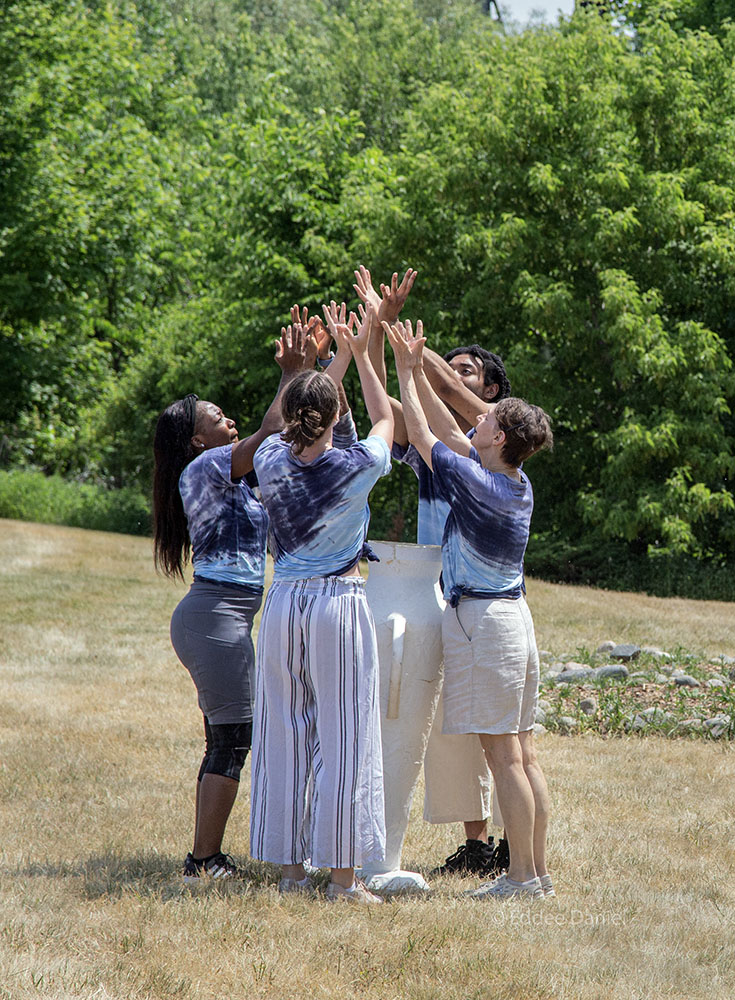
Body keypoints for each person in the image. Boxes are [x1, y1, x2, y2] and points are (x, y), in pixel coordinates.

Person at [385, 317, 555, 900]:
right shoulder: (511, 480)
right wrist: (410, 368)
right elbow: (448, 433)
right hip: (512, 620)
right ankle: (535, 873)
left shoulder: (477, 483)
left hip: (485, 624)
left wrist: (409, 367)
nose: (477, 419)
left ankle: (518, 878)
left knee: (504, 757)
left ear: (500, 439)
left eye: (487, 420)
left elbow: (430, 438)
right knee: (523, 755)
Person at [354, 266, 510, 878]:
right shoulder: (439, 449)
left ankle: (493, 839)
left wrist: (399, 332)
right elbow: (388, 406)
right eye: (454, 364)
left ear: (493, 392)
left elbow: (439, 389)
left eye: (469, 368)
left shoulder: (500, 437)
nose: (454, 370)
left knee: (475, 724)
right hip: (430, 590)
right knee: (444, 723)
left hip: (478, 599)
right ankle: (474, 843)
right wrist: (364, 335)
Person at [152, 327, 311, 882]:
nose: (230, 422)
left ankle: (206, 855)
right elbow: (271, 429)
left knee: (224, 737)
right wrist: (291, 375)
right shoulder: (203, 469)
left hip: (227, 618)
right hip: (215, 615)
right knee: (232, 739)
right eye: (217, 419)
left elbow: (283, 446)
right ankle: (203, 861)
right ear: (197, 440)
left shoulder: (236, 482)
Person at [249, 302, 393, 904]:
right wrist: (358, 347)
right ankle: (342, 879)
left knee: (283, 731)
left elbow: (306, 412)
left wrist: (333, 359)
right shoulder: (354, 467)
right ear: (336, 415)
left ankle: (289, 872)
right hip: (337, 603)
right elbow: (384, 414)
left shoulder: (267, 461)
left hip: (280, 603)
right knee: (345, 736)